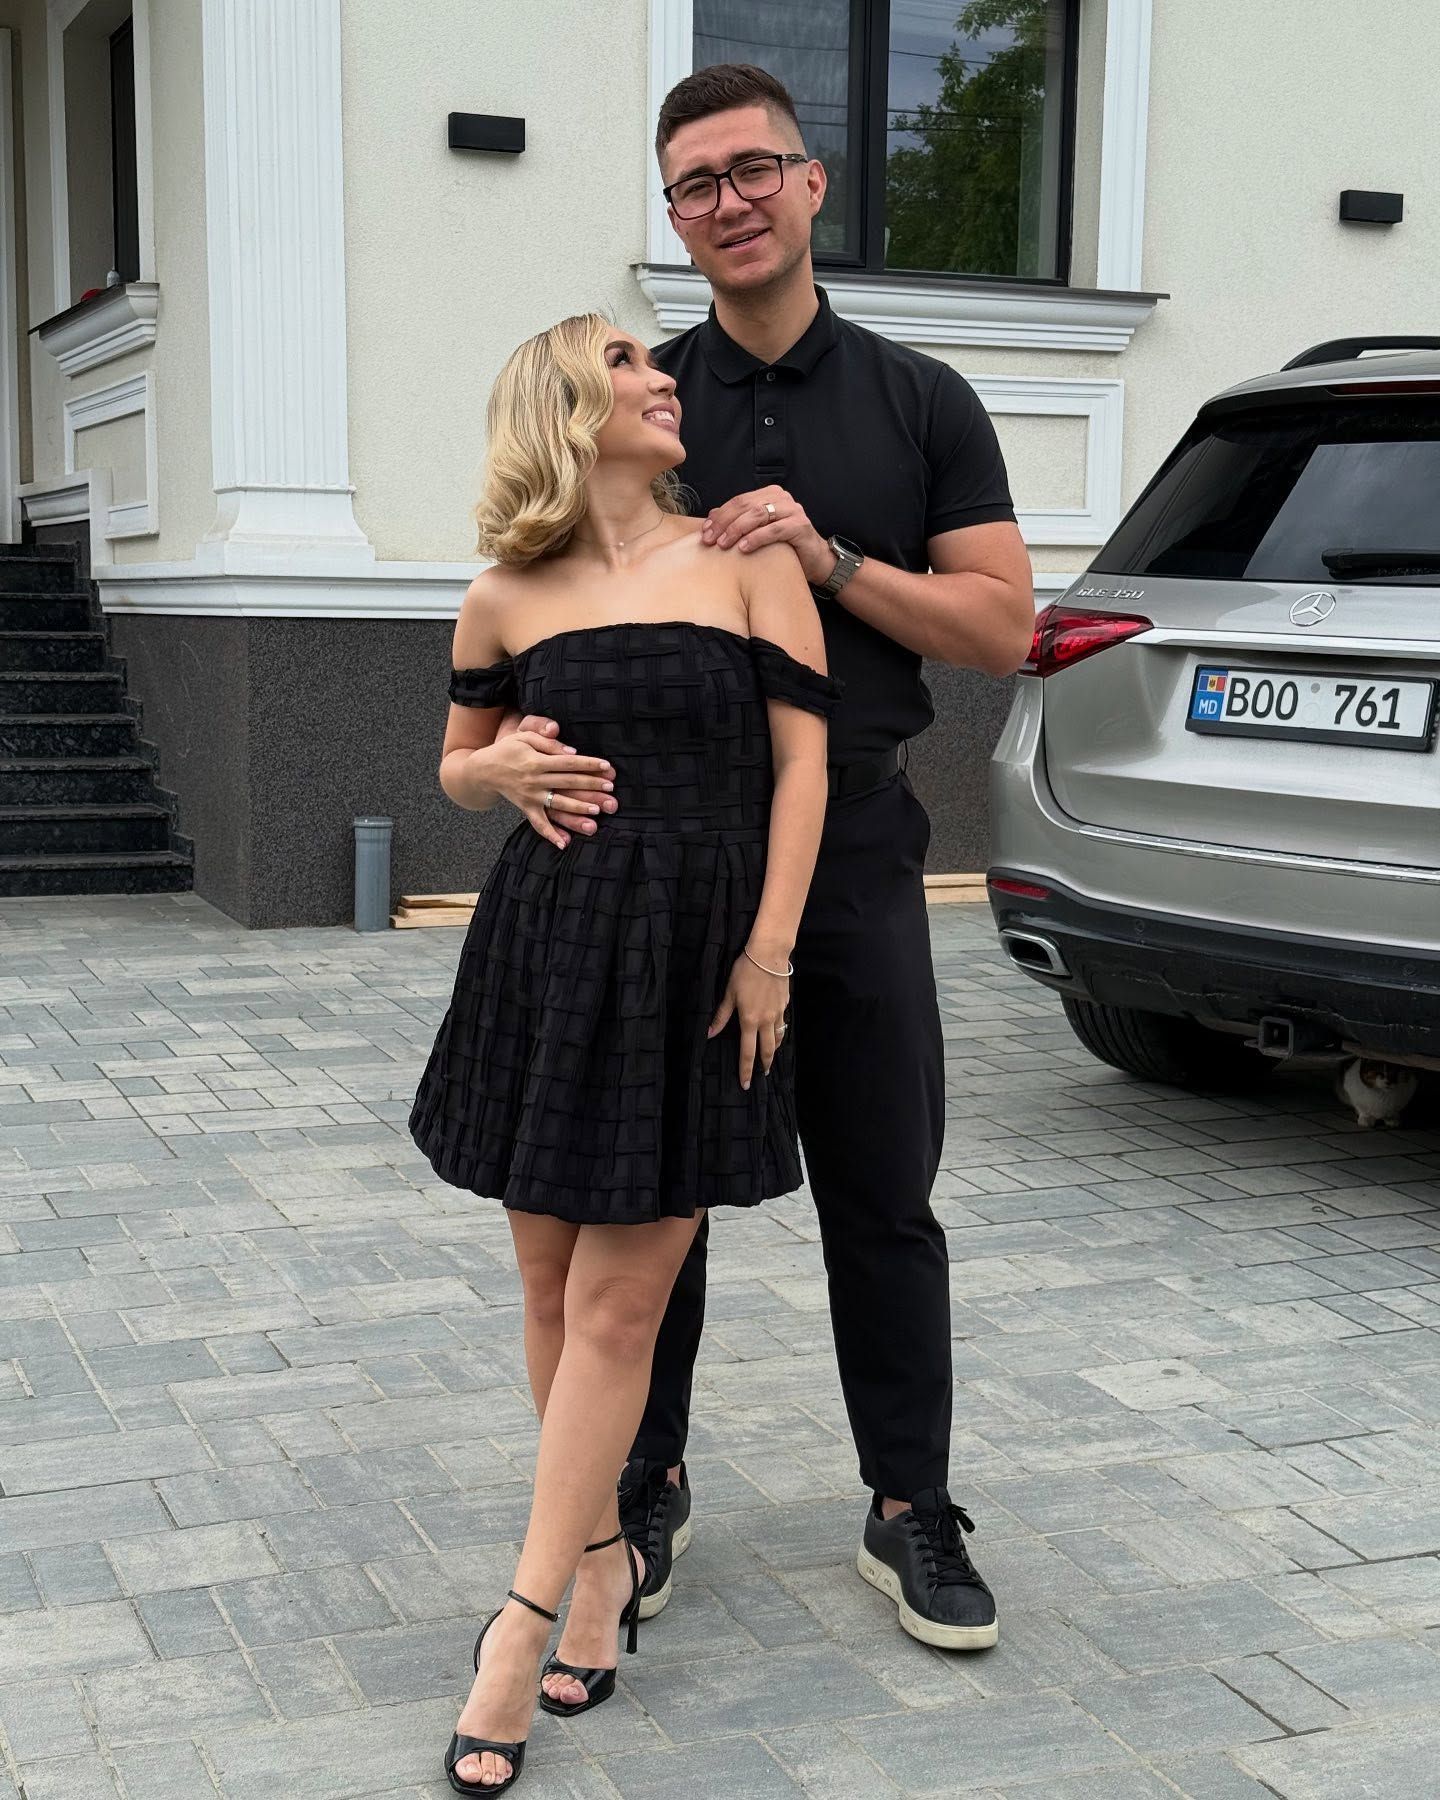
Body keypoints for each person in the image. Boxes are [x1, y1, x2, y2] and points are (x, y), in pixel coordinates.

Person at [515, 64, 1034, 1652]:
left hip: (855, 839)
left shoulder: (919, 400)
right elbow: (544, 589)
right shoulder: (638, 399)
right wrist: (506, 748)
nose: (729, 201)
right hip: (667, 859)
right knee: (646, 1183)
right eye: (696, 184)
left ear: (812, 185)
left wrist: (831, 555)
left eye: (754, 170)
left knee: (883, 1188)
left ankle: (908, 1502)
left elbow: (1000, 629)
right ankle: (641, 1484)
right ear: (674, 220)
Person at [409, 311, 836, 1793]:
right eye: (629, 364)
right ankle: (599, 1563)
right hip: (549, 947)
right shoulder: (502, 595)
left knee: (619, 1301)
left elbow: (804, 762)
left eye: (658, 363)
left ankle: (520, 1624)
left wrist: (770, 949)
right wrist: (494, 769)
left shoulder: (745, 559)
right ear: (563, 408)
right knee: (546, 1284)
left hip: (700, 956)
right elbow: (457, 767)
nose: (664, 379)